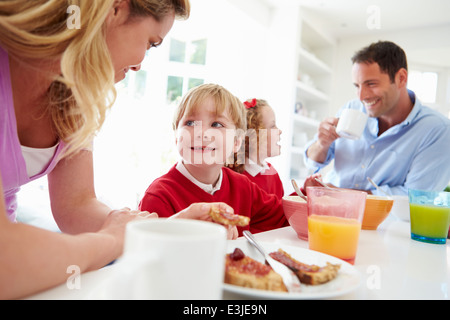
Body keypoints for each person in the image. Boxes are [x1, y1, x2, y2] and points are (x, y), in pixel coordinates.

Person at [0, 0, 234, 300]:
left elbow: (76, 205)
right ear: (115, 9)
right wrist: (111, 241)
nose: (140, 64)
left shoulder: (71, 98)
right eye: (151, 43)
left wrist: (165, 231)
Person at [139, 84, 289, 235]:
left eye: (216, 124)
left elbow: (286, 217)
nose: (201, 133)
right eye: (190, 123)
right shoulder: (158, 197)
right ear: (176, 137)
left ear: (237, 142)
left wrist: (309, 188)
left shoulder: (244, 187)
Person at [304, 41, 450, 196]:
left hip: (385, 220)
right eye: (357, 86)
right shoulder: (352, 108)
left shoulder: (438, 130)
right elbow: (312, 162)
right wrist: (321, 144)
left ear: (401, 78)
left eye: (371, 84)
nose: (362, 96)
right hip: (327, 209)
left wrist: (338, 194)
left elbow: (415, 198)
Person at [227, 98, 284, 198]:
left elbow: (281, 209)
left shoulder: (271, 173)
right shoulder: (233, 177)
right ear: (254, 136)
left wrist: (304, 190)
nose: (279, 131)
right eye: (272, 126)